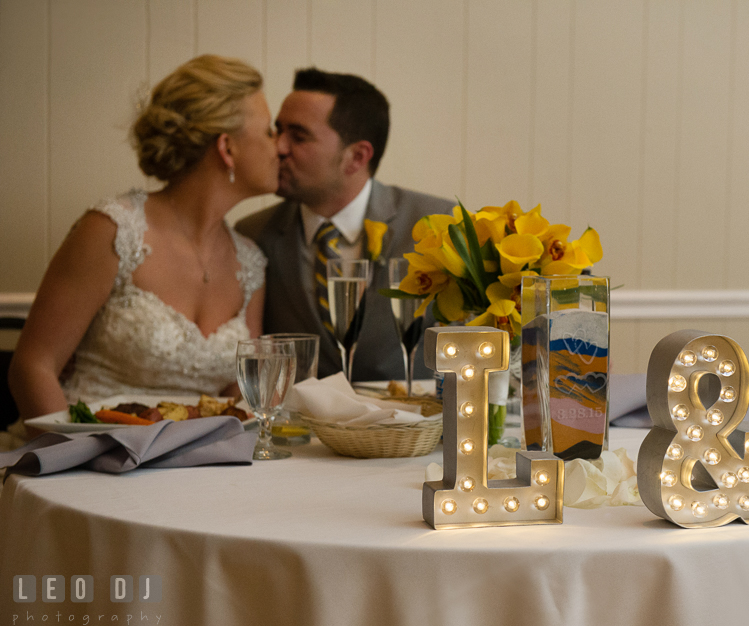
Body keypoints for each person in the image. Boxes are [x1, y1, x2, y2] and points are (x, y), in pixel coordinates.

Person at [10, 54, 276, 420]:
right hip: (88, 456)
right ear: (227, 148)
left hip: (194, 466)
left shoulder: (250, 262)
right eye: (270, 131)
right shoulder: (114, 231)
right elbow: (31, 368)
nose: (280, 147)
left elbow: (237, 397)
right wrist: (75, 460)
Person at [235, 69, 454, 382]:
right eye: (276, 131)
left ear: (356, 156)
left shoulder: (438, 226)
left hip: (409, 425)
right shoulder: (253, 234)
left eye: (298, 136)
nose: (278, 147)